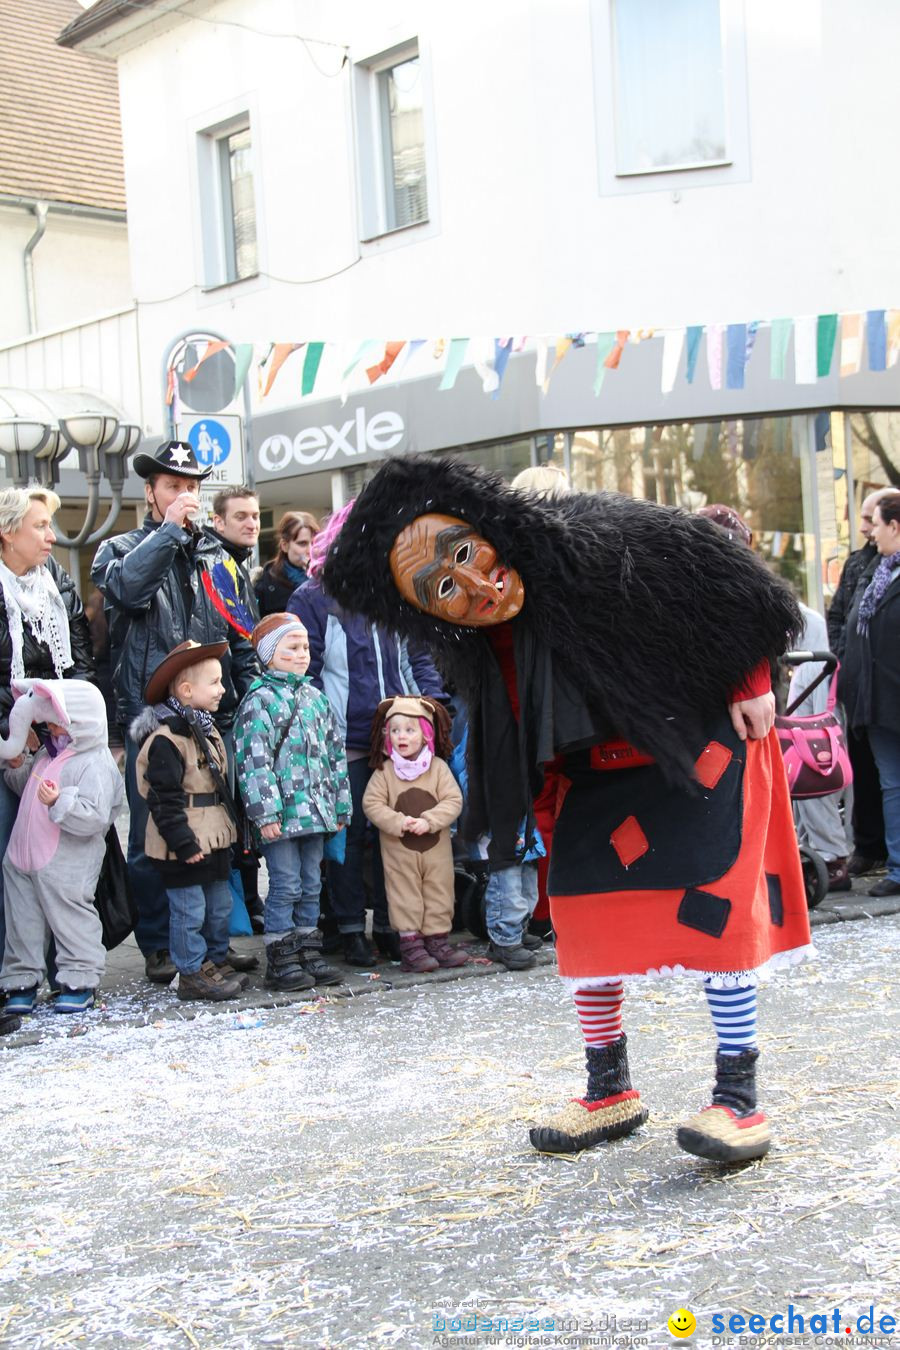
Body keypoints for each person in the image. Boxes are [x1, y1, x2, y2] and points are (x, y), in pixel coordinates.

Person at [322, 455, 812, 1167]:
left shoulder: (604, 534)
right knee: (583, 922)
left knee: (715, 918)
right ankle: (609, 1089)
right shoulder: (470, 640)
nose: (472, 584)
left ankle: (738, 1099)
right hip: (593, 777)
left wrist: (751, 680)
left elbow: (733, 585)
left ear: (486, 530)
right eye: (440, 587)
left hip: (694, 748)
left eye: (464, 554)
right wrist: (540, 798)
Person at [91, 442, 259, 986]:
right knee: (153, 838)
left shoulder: (218, 557)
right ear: (151, 492)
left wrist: (248, 696)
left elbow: (243, 636)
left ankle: (210, 947)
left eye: (191, 487)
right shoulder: (118, 548)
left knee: (216, 831)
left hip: (215, 717)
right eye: (172, 486)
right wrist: (167, 533)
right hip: (152, 720)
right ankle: (161, 946)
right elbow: (126, 592)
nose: (184, 495)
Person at [288, 507, 447, 968]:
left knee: (395, 838)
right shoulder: (312, 598)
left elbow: (421, 658)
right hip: (346, 741)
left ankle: (394, 926)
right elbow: (306, 671)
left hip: (402, 740)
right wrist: (324, 727)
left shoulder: (395, 594)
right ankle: (351, 928)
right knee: (351, 837)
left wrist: (431, 706)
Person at [0, 487, 94, 972]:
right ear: (6, 531)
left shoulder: (54, 579)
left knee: (59, 856)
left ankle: (65, 967)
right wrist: (13, 729)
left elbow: (78, 657)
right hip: (9, 743)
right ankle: (12, 972)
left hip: (57, 740)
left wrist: (69, 723)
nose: (51, 537)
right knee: (10, 861)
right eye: (39, 526)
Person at [234, 613, 350, 990]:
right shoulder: (259, 701)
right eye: (292, 648)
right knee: (286, 884)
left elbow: (335, 756)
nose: (303, 655)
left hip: (315, 812)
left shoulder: (316, 699)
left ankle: (307, 951)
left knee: (312, 883)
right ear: (269, 654)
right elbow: (254, 762)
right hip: (281, 817)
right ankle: (281, 957)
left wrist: (341, 805)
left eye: (305, 648)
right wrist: (265, 812)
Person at [0, 679, 123, 1015]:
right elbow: (29, 787)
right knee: (22, 921)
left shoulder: (94, 761)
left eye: (55, 719)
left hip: (65, 861)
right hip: (24, 857)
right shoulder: (49, 750)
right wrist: (18, 767)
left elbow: (96, 816)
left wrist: (60, 801)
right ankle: (20, 980)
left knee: (71, 917)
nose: (48, 725)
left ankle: (79, 979)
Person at [131, 640, 244, 1002]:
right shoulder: (167, 740)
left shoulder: (205, 730)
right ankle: (191, 970)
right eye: (214, 682)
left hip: (213, 834)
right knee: (188, 910)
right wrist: (182, 842)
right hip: (186, 840)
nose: (223, 689)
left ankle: (212, 960)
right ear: (186, 690)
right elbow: (163, 799)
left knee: (218, 906)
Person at [363, 695, 466, 972]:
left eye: (410, 730)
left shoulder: (438, 768)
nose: (401, 736)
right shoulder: (384, 771)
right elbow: (372, 804)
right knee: (404, 894)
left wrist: (430, 821)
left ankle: (437, 942)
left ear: (426, 735)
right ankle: (411, 947)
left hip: (436, 851)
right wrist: (398, 822)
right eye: (395, 731)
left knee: (439, 891)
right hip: (400, 853)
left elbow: (453, 801)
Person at [204, 485, 264, 931]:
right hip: (217, 707)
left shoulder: (239, 568)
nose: (251, 523)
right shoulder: (216, 563)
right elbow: (237, 645)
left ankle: (247, 906)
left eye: (256, 516)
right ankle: (232, 917)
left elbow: (248, 644)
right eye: (240, 516)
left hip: (237, 706)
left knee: (245, 811)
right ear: (218, 521)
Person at [828, 487, 894, 878]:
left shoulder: (888, 565)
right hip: (859, 685)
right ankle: (869, 847)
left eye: (872, 519)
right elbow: (839, 615)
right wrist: (846, 654)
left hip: (886, 686)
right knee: (866, 773)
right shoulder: (860, 565)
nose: (866, 527)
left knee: (890, 776)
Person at [255, 511, 319, 618]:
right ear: (284, 546)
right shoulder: (265, 584)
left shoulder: (326, 579)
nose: (310, 550)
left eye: (314, 543)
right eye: (302, 544)